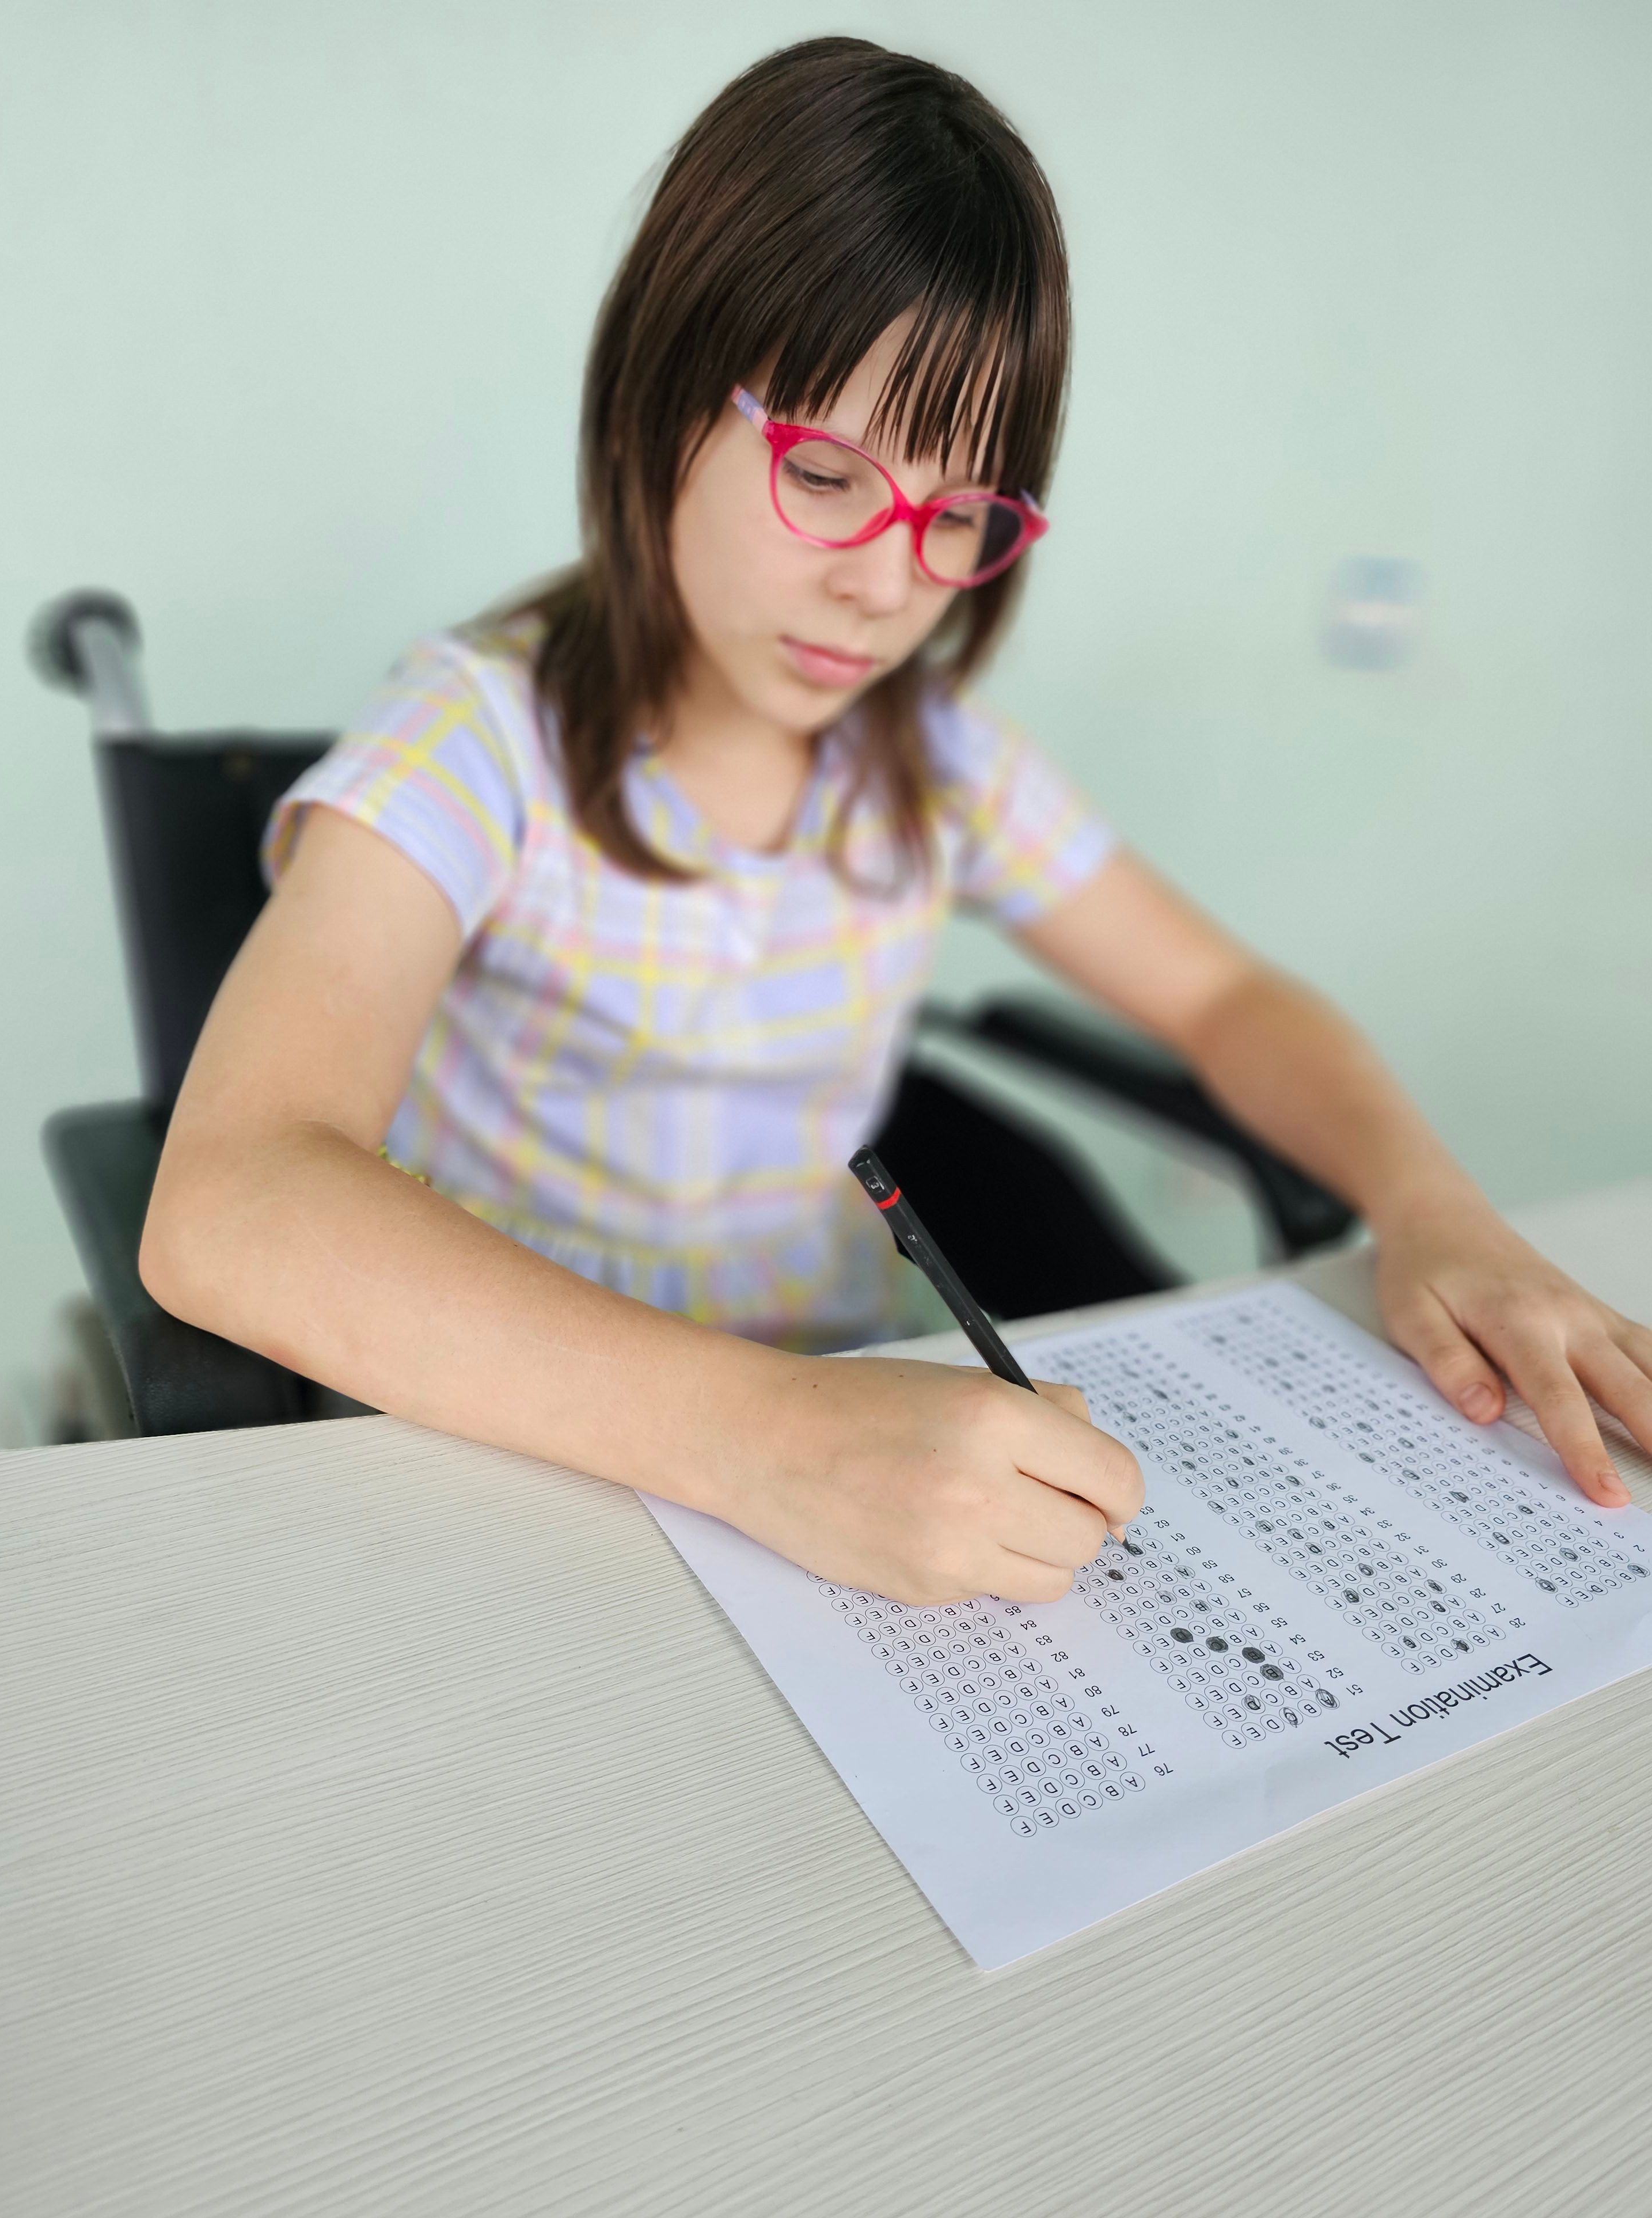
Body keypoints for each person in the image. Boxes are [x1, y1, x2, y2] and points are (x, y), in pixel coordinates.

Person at [140, 37, 1652, 1608]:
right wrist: (771, 1436)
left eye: (962, 515)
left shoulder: (929, 762)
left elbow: (1223, 996)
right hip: (531, 1472)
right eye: (827, 474)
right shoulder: (478, 737)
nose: (890, 583)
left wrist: (1437, 1210)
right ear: (664, 407)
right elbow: (230, 1201)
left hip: (854, 1458)